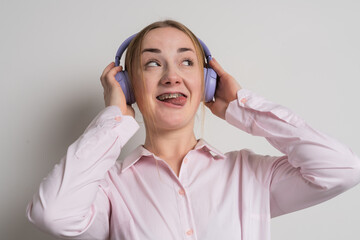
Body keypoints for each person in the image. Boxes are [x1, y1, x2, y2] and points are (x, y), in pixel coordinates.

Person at [26, 20, 360, 240]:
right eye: (152, 63)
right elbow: (53, 214)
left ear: (206, 84)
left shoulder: (251, 175)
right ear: (129, 87)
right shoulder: (109, 189)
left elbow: (340, 170)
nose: (172, 75)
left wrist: (242, 107)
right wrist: (114, 116)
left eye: (186, 62)